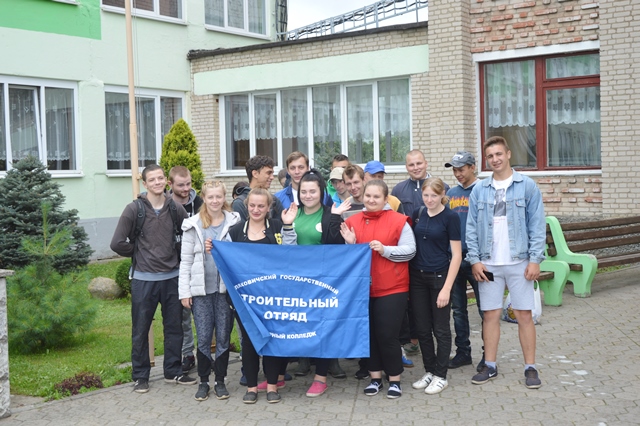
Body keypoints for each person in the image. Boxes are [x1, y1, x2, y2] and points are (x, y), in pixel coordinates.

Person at [466, 136, 545, 389]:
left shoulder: (527, 186)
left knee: (524, 314)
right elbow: (471, 228)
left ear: (508, 154)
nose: (495, 159)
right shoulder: (479, 190)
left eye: (499, 154)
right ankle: (489, 365)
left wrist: (535, 259)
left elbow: (537, 225)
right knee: (490, 314)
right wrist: (475, 260)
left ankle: (530, 367)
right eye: (490, 156)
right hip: (489, 264)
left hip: (519, 262)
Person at [110, 164, 196, 393]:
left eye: (160, 178)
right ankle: (140, 376)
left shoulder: (175, 208)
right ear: (145, 183)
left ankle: (173, 371)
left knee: (175, 327)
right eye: (152, 179)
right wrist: (139, 252)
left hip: (172, 278)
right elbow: (116, 243)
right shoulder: (134, 209)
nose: (157, 182)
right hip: (143, 280)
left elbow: (188, 237)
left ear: (166, 181)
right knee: (140, 329)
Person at [340, 180, 416, 399]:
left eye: (376, 197)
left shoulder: (399, 220)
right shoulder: (352, 221)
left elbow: (410, 251)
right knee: (369, 335)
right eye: (368, 196)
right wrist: (351, 244)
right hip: (362, 289)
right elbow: (347, 259)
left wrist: (385, 250)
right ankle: (375, 378)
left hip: (392, 287)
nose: (371, 200)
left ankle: (394, 379)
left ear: (385, 199)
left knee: (387, 335)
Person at [228, 188, 298, 404]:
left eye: (261, 206)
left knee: (272, 341)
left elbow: (291, 253)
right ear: (246, 206)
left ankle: (272, 386)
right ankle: (251, 387)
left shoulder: (277, 227)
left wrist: (288, 225)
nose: (256, 209)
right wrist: (214, 248)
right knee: (249, 342)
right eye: (252, 205)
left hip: (272, 297)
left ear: (269, 208)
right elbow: (228, 260)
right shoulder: (236, 231)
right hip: (245, 299)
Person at [178, 181, 240, 401]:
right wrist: (185, 292)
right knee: (204, 337)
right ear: (204, 198)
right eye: (210, 197)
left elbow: (239, 253)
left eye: (218, 197)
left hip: (224, 291)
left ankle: (220, 381)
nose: (215, 201)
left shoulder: (234, 222)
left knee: (223, 336)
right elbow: (185, 261)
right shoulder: (193, 225)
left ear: (224, 198)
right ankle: (204, 381)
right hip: (201, 291)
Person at [291, 170, 350, 396]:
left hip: (323, 282)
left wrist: (335, 218)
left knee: (323, 327)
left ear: (322, 192)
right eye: (303, 191)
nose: (308, 195)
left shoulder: (330, 213)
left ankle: (321, 377)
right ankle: (302, 362)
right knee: (302, 325)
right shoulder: (292, 213)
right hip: (297, 282)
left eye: (312, 191)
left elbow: (337, 247)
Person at [410, 178, 462, 395]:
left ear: (442, 195)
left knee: (440, 329)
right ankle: (429, 370)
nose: (429, 200)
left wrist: (447, 288)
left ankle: (441, 375)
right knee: (422, 329)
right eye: (426, 195)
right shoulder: (418, 213)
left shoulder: (451, 217)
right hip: (417, 278)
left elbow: (457, 255)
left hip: (440, 277)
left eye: (434, 195)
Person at [444, 152, 485, 370]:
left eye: (461, 169)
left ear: (472, 167)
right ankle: (463, 352)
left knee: (485, 309)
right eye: (454, 170)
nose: (458, 174)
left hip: (479, 260)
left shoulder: (483, 190)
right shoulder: (451, 194)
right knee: (458, 310)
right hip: (454, 260)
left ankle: (488, 353)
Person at [168, 165, 203, 374]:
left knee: (203, 314)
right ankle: (187, 353)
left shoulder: (200, 204)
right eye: (181, 185)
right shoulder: (166, 205)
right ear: (170, 184)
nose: (186, 189)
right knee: (182, 315)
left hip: (198, 265)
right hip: (175, 267)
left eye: (188, 184)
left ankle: (205, 353)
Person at [391, 150, 449, 219]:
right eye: (411, 165)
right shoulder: (398, 190)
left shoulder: (442, 187)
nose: (415, 168)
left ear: (426, 164)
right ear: (406, 167)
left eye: (419, 163)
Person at [231, 155, 284, 222]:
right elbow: (240, 228)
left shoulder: (274, 201)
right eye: (268, 173)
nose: (272, 177)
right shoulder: (239, 203)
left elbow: (280, 226)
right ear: (255, 174)